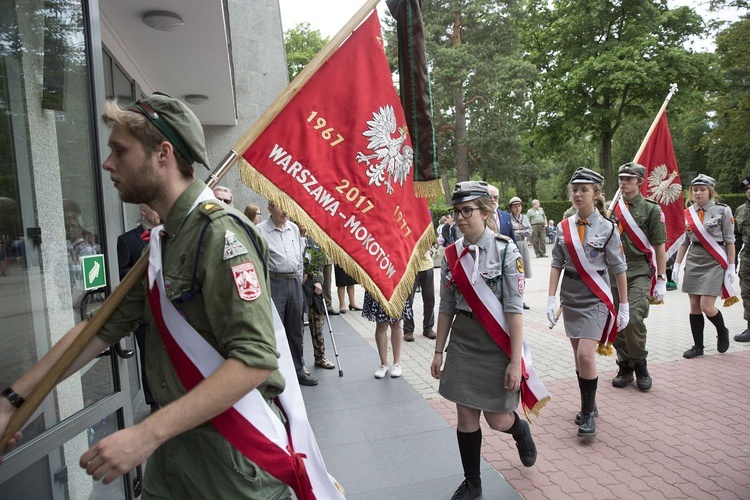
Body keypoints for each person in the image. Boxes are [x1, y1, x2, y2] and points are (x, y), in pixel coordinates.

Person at [1, 93, 293, 498]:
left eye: (120, 150)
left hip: (230, 468)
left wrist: (144, 435)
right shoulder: (164, 242)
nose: (108, 164)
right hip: (172, 463)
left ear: (163, 153)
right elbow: (99, 328)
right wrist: (14, 400)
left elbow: (255, 360)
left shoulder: (220, 235)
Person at [432, 180, 538, 500]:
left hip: (497, 344)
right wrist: (438, 351)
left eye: (468, 211)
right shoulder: (451, 255)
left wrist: (514, 362)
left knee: (496, 419)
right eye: (457, 212)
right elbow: (446, 305)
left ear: (486, 211)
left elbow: (513, 309)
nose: (461, 218)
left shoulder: (507, 250)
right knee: (465, 416)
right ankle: (473, 483)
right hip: (464, 342)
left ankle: (520, 430)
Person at [547, 167, 629, 438]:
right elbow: (557, 263)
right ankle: (588, 406)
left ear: (596, 194)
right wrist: (550, 297)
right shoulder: (563, 227)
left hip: (595, 297)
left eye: (584, 189)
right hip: (570, 297)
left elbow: (618, 268)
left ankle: (589, 416)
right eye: (575, 189)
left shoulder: (607, 228)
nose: (578, 194)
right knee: (578, 359)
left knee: (586, 354)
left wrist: (624, 305)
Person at [609, 163, 667, 391]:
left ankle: (640, 363)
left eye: (629, 179)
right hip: (614, 272)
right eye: (621, 178)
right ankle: (624, 364)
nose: (623, 182)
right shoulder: (612, 207)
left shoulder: (652, 210)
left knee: (632, 319)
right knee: (616, 322)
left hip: (639, 271)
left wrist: (661, 278)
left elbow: (659, 246)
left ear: (639, 182)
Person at [673, 174, 736, 358]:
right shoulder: (688, 213)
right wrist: (677, 264)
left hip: (714, 260)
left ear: (710, 191)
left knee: (707, 306)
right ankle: (698, 346)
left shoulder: (723, 211)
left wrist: (731, 266)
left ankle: (722, 330)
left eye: (702, 189)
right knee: (694, 305)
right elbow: (684, 241)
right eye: (695, 189)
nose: (698, 193)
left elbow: (730, 240)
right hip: (694, 259)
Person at [258, 200, 318, 386]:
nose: (285, 211)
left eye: (287, 207)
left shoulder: (292, 228)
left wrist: (299, 280)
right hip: (274, 282)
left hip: (294, 282)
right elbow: (259, 262)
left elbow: (298, 257)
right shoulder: (260, 230)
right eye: (280, 206)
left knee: (295, 329)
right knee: (275, 329)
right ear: (270, 209)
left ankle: (298, 370)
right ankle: (275, 372)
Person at [116, 203, 161, 413]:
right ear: (143, 210)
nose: (159, 212)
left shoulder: (170, 235)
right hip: (144, 313)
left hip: (171, 311)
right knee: (149, 359)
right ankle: (154, 402)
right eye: (154, 208)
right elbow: (122, 272)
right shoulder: (126, 240)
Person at [301, 228, 336, 370]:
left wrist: (318, 280)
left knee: (318, 323)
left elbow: (319, 263)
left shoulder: (313, 238)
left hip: (314, 288)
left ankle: (320, 356)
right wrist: (302, 274)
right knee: (298, 327)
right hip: (299, 286)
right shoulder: (292, 237)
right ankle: (299, 362)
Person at [363, 292, 411, 378]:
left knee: (396, 324)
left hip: (396, 287)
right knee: (381, 325)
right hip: (379, 286)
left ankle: (397, 363)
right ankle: (383, 364)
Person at [403, 248, 437, 342]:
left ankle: (428, 328)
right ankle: (408, 330)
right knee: (408, 301)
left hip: (427, 266)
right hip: (410, 267)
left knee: (430, 299)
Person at [508, 196, 532, 310]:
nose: (517, 208)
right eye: (515, 206)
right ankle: (514, 298)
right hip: (513, 245)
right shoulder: (508, 218)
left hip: (523, 245)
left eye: (519, 206)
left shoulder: (524, 217)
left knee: (523, 273)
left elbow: (529, 231)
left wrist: (518, 232)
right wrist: (521, 232)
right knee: (514, 272)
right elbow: (510, 232)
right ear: (511, 208)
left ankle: (521, 298)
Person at [734, 174, 750, 342]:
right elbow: (736, 237)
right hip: (748, 256)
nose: (749, 191)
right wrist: (733, 261)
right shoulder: (741, 210)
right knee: (747, 291)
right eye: (747, 189)